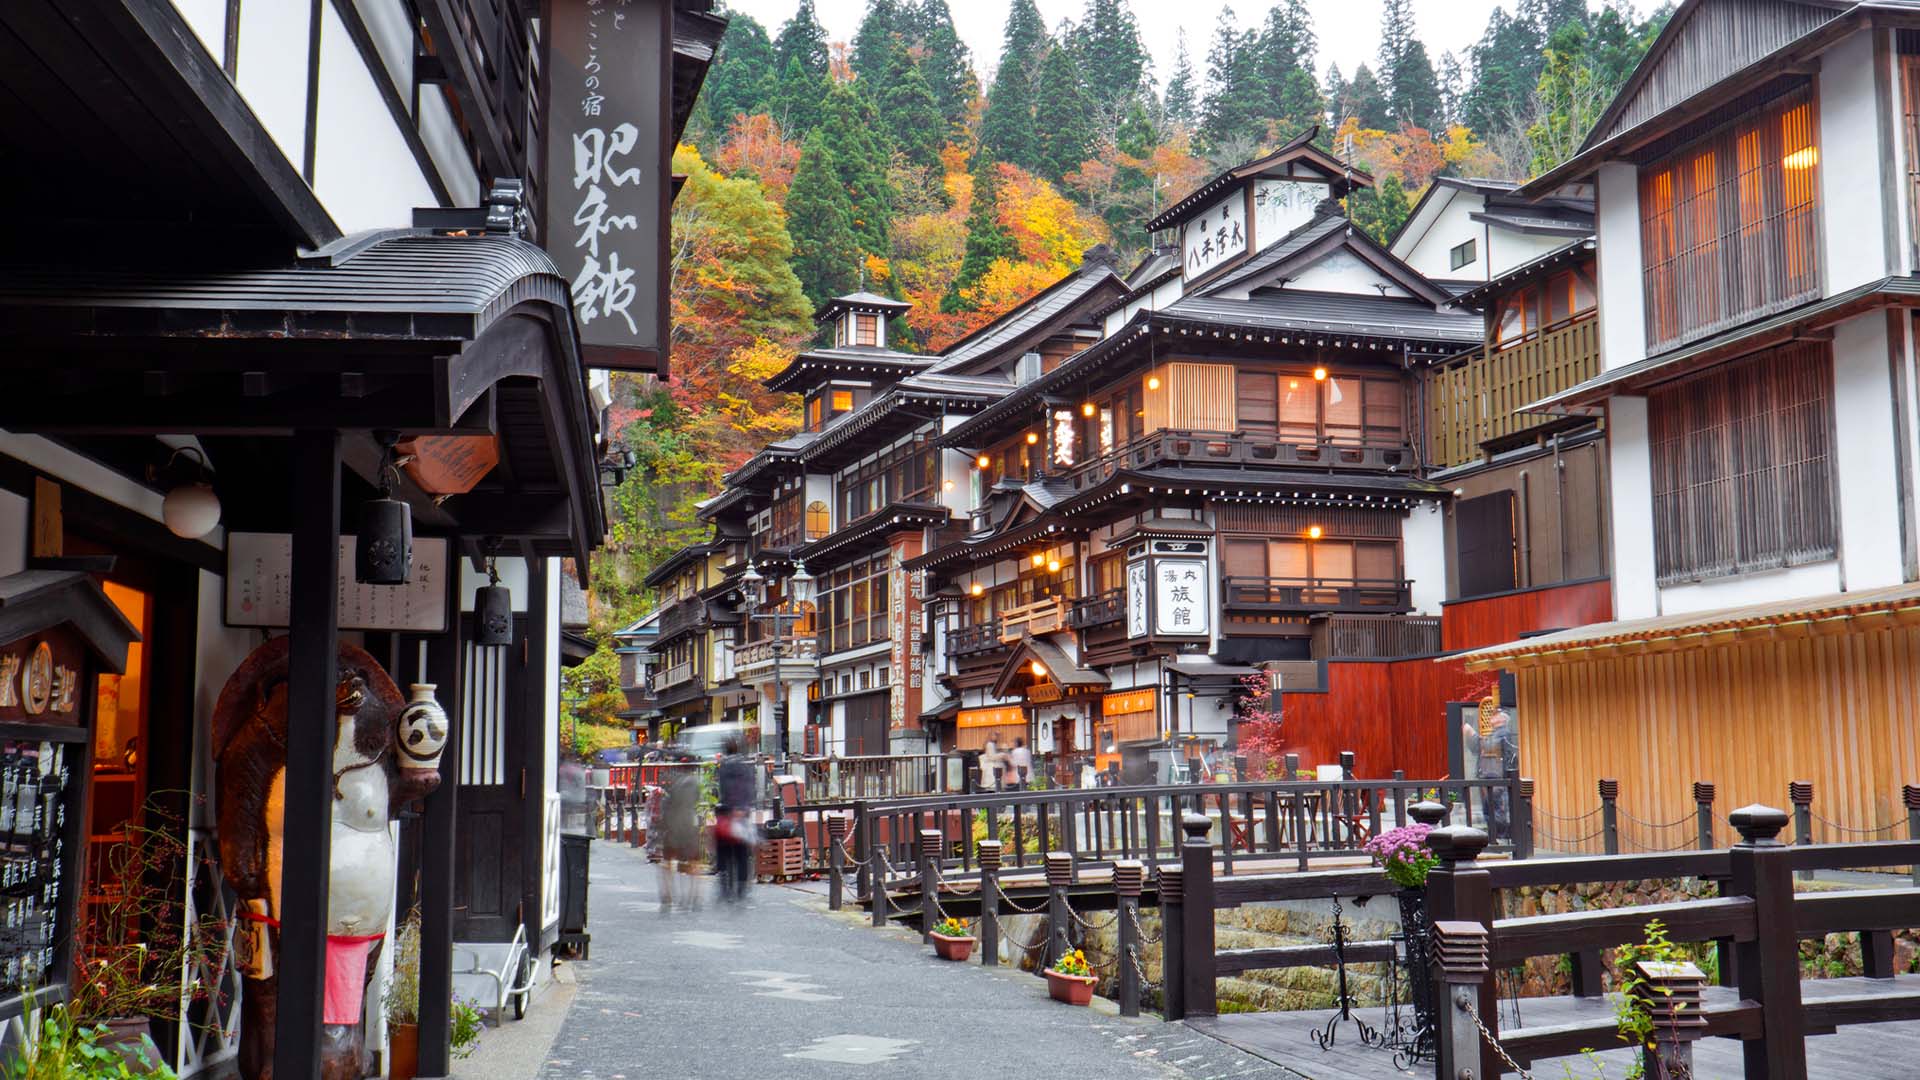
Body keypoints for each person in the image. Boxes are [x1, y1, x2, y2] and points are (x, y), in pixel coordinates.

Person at [714, 739, 757, 903]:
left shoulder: (724, 768)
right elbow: (749, 789)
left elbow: (723, 790)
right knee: (741, 852)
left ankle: (725, 887)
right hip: (742, 813)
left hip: (726, 812)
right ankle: (741, 887)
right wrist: (744, 808)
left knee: (724, 852)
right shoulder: (745, 767)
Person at [658, 771, 704, 912]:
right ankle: (694, 895)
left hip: (673, 827)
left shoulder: (671, 791)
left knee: (667, 863)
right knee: (693, 863)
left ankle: (667, 895)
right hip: (690, 826)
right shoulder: (694, 784)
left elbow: (664, 812)